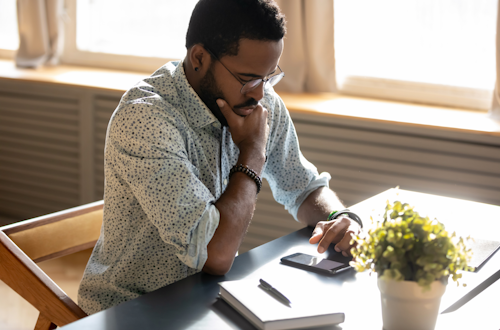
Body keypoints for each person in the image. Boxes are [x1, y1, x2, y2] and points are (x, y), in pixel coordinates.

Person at [78, 0, 362, 315]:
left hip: (206, 298)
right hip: (130, 308)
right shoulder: (145, 119)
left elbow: (303, 185)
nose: (259, 93)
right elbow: (216, 255)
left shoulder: (258, 99)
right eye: (248, 79)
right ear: (199, 57)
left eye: (269, 77)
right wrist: (253, 152)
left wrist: (340, 218)